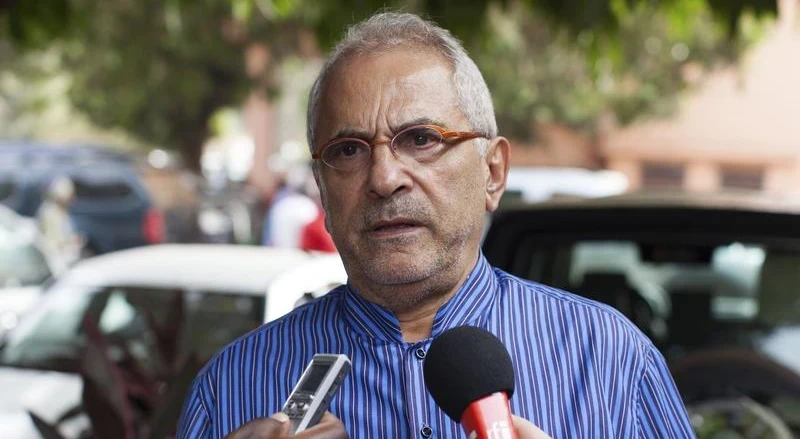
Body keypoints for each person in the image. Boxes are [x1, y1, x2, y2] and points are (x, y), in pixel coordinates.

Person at [176, 12, 695, 439]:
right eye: (349, 150)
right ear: (322, 190)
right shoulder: (232, 389)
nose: (384, 179)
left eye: (421, 139)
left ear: (493, 172)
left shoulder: (610, 362)